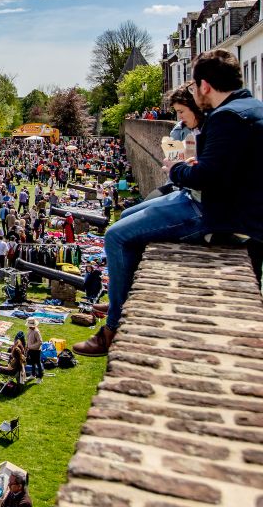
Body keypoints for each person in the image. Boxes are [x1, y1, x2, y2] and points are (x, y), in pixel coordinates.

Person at [75, 50, 263, 356]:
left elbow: (206, 178)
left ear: (204, 86)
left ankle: (113, 328)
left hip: (214, 213)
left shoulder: (226, 116)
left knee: (116, 236)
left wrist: (176, 169)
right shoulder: (251, 107)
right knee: (128, 215)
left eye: (194, 85)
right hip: (225, 206)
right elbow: (222, 169)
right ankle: (122, 296)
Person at [25, 318, 44, 383]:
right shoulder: (30, 330)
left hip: (36, 350)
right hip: (31, 350)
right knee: (32, 363)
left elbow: (40, 342)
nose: (29, 327)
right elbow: (28, 339)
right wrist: (27, 345)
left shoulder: (36, 332)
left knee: (38, 363)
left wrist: (31, 346)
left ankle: (40, 377)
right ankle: (33, 375)